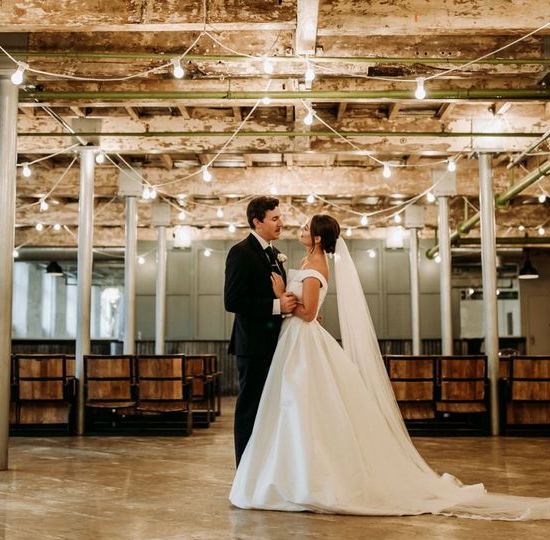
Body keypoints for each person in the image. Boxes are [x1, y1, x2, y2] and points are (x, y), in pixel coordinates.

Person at [230, 213, 550, 520]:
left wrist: (280, 296)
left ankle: (304, 478)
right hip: (294, 340)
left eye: (304, 227)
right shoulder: (305, 261)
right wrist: (290, 301)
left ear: (316, 238)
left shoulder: (314, 266)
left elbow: (309, 313)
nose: (295, 228)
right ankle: (287, 472)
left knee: (301, 407)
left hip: (302, 338)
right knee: (294, 408)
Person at [224, 196, 298, 466]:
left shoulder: (273, 254)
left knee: (270, 411)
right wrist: (276, 306)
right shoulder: (241, 252)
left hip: (275, 345)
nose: (281, 223)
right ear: (257, 222)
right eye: (275, 218)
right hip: (253, 347)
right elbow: (232, 301)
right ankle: (244, 471)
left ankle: (263, 469)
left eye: (281, 217)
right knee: (250, 411)